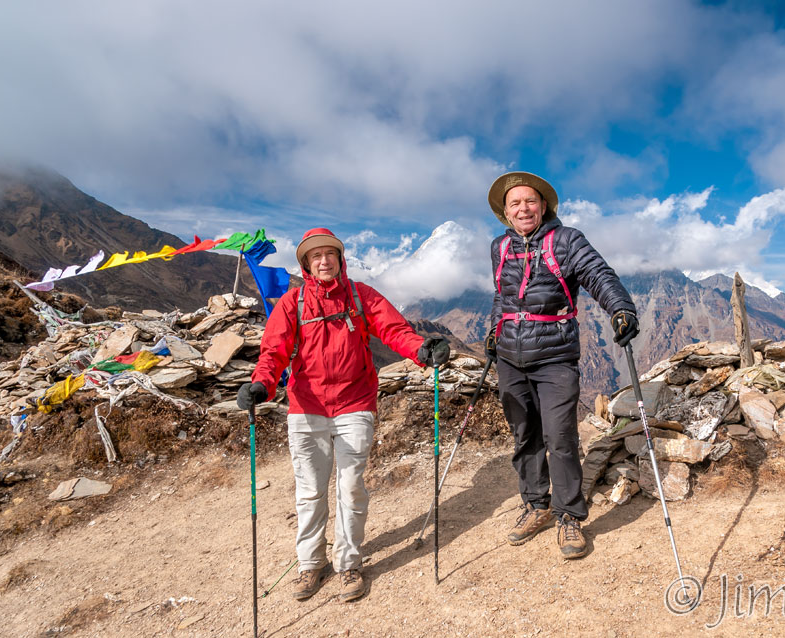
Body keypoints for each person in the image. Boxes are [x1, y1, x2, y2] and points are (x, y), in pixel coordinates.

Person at [238, 228, 450, 603]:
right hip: (307, 408)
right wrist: (261, 385)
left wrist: (421, 349)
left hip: (355, 403)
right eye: (315, 256)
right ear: (305, 264)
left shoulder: (360, 296)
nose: (324, 261)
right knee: (310, 491)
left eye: (329, 254)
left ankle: (349, 563)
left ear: (340, 258)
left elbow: (393, 329)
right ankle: (310, 564)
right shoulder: (293, 304)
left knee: (351, 486)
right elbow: (273, 353)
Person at [484, 172, 639, 559]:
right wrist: (493, 331)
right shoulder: (499, 247)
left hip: (554, 357)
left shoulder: (567, 240)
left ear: (544, 206)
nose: (523, 208)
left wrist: (620, 308)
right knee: (524, 437)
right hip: (509, 358)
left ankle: (569, 516)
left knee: (561, 439)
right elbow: (502, 296)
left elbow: (598, 275)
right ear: (505, 212)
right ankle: (536, 505)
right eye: (515, 203)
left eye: (530, 201)